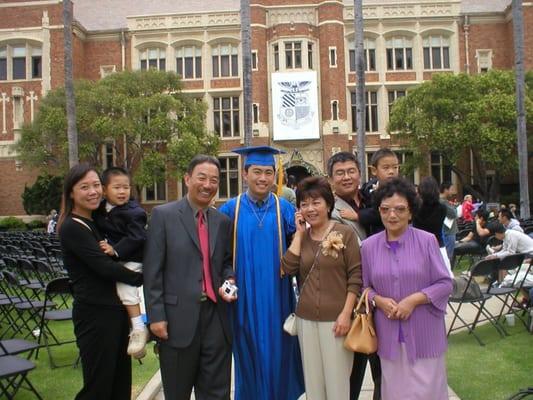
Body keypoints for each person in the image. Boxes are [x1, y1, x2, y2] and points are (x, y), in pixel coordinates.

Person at [143, 155, 236, 400]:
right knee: (177, 392)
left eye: (214, 180)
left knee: (217, 393)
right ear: (187, 179)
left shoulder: (222, 221)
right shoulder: (163, 216)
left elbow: (225, 262)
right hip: (176, 320)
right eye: (202, 178)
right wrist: (156, 316)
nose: (208, 185)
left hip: (216, 318)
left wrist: (229, 280)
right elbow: (152, 270)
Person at [219, 146, 304, 400]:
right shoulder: (229, 210)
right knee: (247, 355)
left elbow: (300, 249)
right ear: (245, 174)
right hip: (243, 298)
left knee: (280, 355)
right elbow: (220, 256)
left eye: (269, 172)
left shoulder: (285, 209)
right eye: (257, 171)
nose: (263, 178)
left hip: (277, 296)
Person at [361, 177, 453, 400]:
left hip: (425, 333)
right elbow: (365, 288)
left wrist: (415, 299)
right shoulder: (368, 246)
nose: (392, 215)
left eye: (400, 209)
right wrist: (378, 301)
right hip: (389, 334)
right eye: (386, 209)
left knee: (428, 391)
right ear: (379, 211)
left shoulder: (427, 241)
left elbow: (445, 283)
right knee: (395, 392)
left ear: (411, 212)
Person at [57, 163, 143, 400]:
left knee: (120, 383)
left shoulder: (97, 222)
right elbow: (104, 267)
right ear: (71, 192)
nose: (93, 191)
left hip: (115, 313)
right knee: (98, 387)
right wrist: (142, 278)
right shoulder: (72, 227)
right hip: (95, 314)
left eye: (96, 185)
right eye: (84, 187)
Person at [281, 176, 362, 400]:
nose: (310, 208)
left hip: (337, 321)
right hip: (306, 321)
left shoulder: (345, 234)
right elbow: (287, 268)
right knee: (314, 387)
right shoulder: (302, 237)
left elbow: (355, 277)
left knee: (337, 387)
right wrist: (298, 234)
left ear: (328, 204)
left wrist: (346, 314)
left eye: (316, 202)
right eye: (304, 204)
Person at [348, 148, 400, 400]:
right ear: (374, 170)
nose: (392, 171)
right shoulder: (369, 190)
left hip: (387, 266)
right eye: (386, 167)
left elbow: (374, 213)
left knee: (385, 359)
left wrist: (356, 215)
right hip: (365, 278)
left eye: (395, 167)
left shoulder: (398, 192)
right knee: (363, 353)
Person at [93, 167, 149, 358]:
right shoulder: (99, 209)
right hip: (116, 260)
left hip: (133, 259)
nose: (122, 191)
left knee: (125, 289)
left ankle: (139, 329)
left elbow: (137, 237)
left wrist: (114, 250)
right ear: (104, 189)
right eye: (117, 187)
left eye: (126, 187)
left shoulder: (134, 212)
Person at [413, 176, 452, 275]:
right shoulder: (442, 208)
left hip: (419, 246)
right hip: (438, 244)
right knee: (445, 277)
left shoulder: (416, 209)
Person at [328, 151, 367, 244]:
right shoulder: (331, 213)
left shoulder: (371, 199)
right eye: (340, 173)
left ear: (360, 175)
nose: (346, 177)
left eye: (351, 171)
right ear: (330, 180)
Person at [439, 182, 458, 263]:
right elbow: (454, 214)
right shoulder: (443, 202)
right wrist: (455, 208)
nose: (453, 192)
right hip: (448, 232)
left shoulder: (442, 201)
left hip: (446, 231)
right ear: (446, 190)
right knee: (447, 258)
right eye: (451, 190)